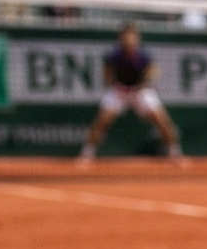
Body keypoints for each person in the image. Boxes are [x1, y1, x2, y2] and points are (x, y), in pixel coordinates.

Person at [77, 23, 184, 166]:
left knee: (162, 121)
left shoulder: (144, 56)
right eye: (126, 36)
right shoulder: (114, 56)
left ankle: (174, 153)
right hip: (119, 91)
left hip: (140, 92)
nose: (129, 40)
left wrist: (145, 80)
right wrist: (114, 85)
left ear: (137, 39)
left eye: (132, 37)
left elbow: (152, 71)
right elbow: (107, 74)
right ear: (121, 39)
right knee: (102, 121)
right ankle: (86, 154)